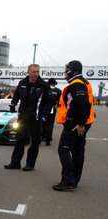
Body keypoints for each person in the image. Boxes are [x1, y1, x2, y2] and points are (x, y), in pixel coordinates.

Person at [53, 60, 94, 191]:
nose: (65, 74)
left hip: (75, 124)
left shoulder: (76, 85)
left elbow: (83, 105)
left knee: (63, 149)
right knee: (77, 151)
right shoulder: (84, 82)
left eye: (66, 71)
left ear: (72, 71)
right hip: (81, 122)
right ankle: (74, 179)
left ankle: (68, 180)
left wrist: (80, 123)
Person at [4, 64, 51, 171]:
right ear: (28, 72)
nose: (36, 74)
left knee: (34, 141)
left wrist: (45, 114)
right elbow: (16, 96)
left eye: (38, 72)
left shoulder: (44, 85)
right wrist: (13, 104)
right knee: (20, 139)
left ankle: (30, 164)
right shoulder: (22, 83)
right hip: (23, 116)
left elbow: (50, 101)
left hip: (36, 117)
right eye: (34, 72)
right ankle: (15, 162)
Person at [42, 78, 62, 145]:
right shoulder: (58, 91)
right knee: (50, 124)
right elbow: (60, 102)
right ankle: (48, 139)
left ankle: (42, 136)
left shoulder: (45, 89)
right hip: (52, 109)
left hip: (44, 108)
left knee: (42, 123)